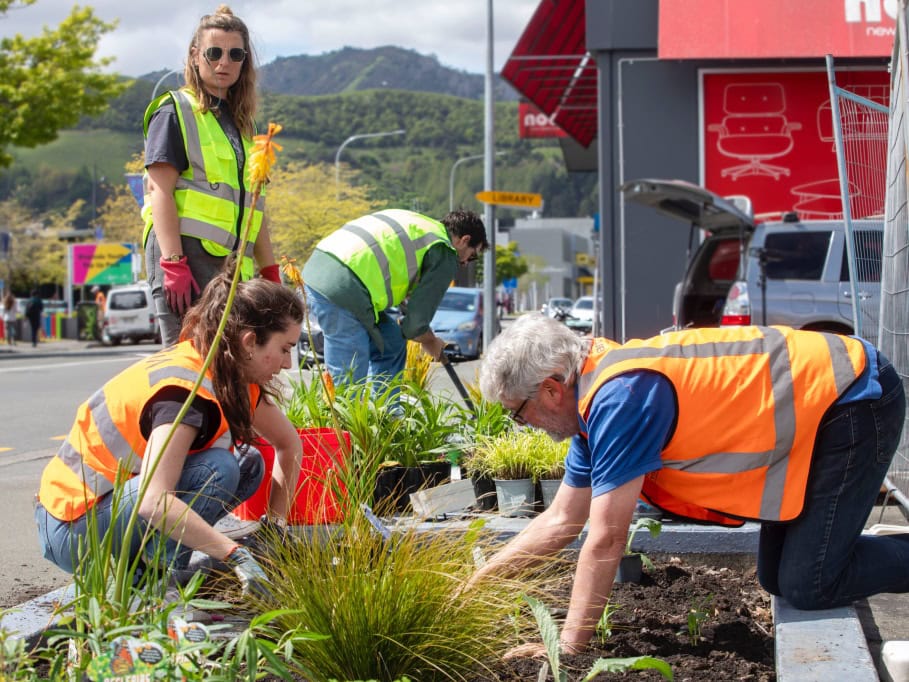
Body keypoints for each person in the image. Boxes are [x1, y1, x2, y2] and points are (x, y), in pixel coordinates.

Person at [470, 314, 907, 656]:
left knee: (809, 585)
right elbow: (562, 519)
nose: (522, 424)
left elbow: (605, 538)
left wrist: (565, 649)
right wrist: (474, 584)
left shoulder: (620, 398)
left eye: (517, 412)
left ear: (550, 389)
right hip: (819, 409)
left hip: (851, 397)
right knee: (778, 578)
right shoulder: (591, 395)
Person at [34, 263, 305, 599]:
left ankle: (158, 566)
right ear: (250, 341)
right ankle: (153, 585)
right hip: (73, 528)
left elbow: (288, 444)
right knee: (218, 468)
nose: (288, 364)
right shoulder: (184, 393)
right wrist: (235, 554)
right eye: (284, 348)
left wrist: (274, 533)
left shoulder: (227, 369)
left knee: (249, 463)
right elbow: (153, 501)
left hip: (113, 505)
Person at [142, 5, 280, 347]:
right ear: (195, 54)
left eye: (236, 54)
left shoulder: (242, 128)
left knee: (228, 369)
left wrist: (270, 270)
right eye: (214, 52)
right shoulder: (175, 110)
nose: (224, 63)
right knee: (186, 366)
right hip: (185, 258)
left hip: (231, 270)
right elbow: (160, 191)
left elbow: (253, 206)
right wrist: (173, 262)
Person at [302, 208, 488, 386]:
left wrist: (421, 330)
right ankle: (341, 418)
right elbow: (415, 326)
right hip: (344, 287)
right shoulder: (445, 251)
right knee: (349, 376)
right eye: (471, 256)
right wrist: (431, 342)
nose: (464, 263)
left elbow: (411, 310)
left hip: (320, 266)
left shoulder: (421, 225)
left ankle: (387, 413)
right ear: (464, 240)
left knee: (391, 343)